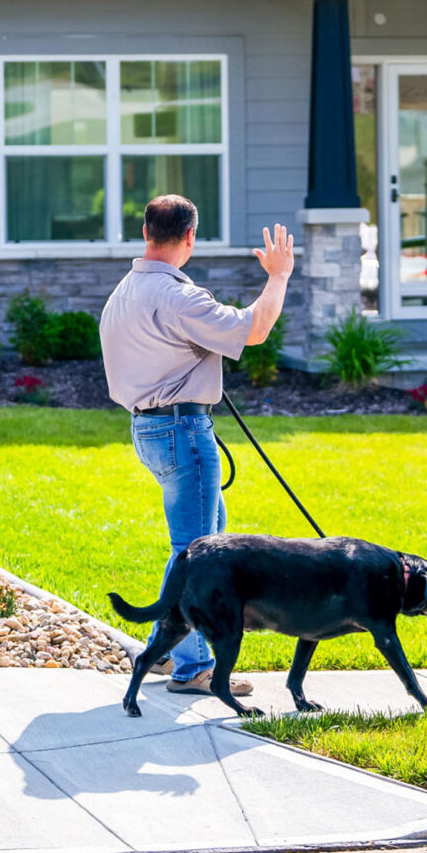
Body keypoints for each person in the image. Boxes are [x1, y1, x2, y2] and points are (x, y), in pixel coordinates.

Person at [99, 195, 293, 695]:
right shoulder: (179, 297)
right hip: (182, 433)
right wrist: (278, 276)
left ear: (145, 232)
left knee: (213, 533)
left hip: (149, 430)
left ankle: (163, 653)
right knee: (195, 553)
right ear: (189, 237)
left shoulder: (125, 290)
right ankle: (192, 668)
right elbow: (255, 330)